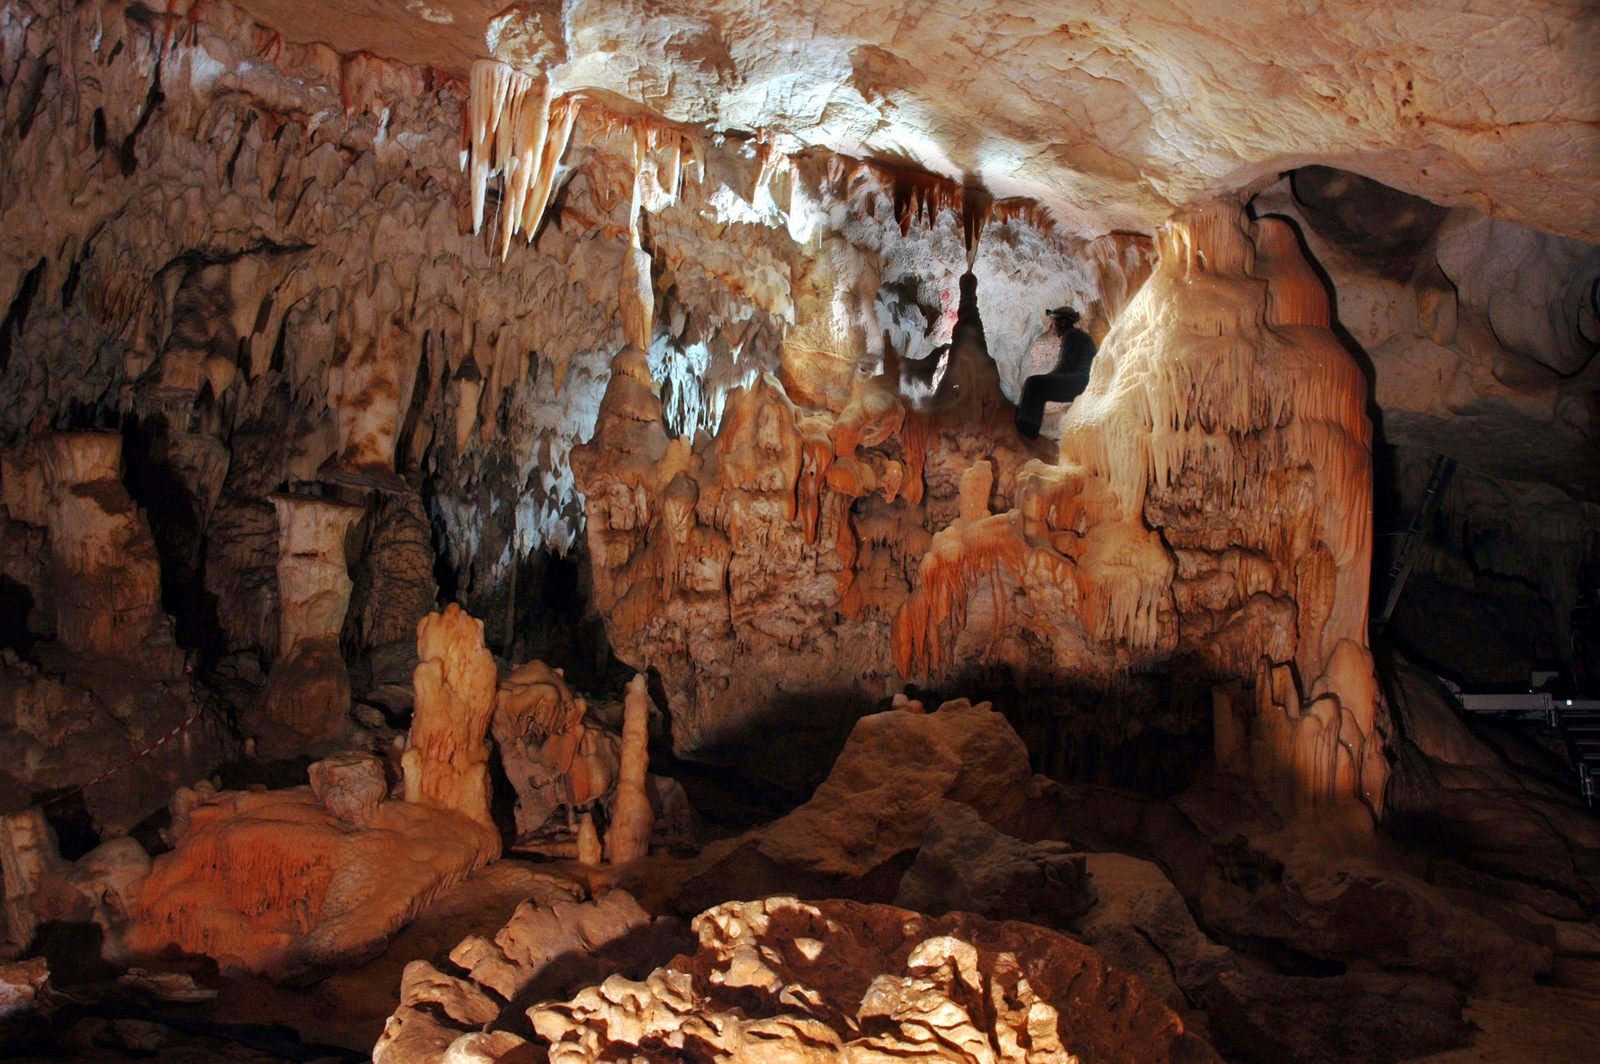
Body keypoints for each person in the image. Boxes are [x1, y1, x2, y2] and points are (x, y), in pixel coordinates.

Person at [1014, 306, 1096, 439]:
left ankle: (1027, 428)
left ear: (1063, 322)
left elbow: (1065, 366)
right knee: (1040, 392)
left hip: (1081, 381)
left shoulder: (1072, 334)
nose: (1051, 325)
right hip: (1085, 382)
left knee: (1033, 383)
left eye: (1053, 321)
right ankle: (1030, 427)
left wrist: (1044, 379)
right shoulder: (1078, 336)